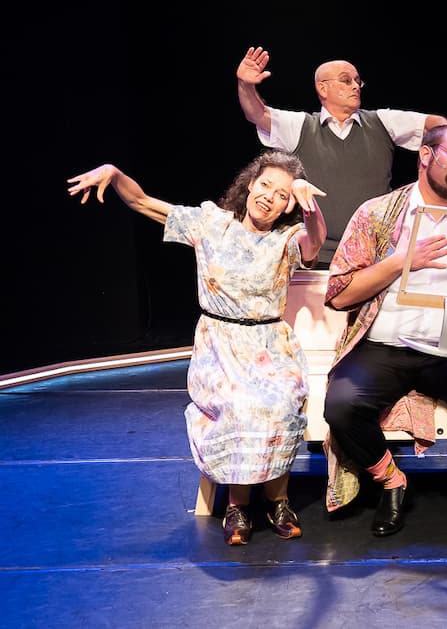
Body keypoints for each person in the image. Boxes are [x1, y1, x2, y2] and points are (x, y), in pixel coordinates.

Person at [66, 151, 328, 547]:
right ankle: (239, 505)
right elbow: (143, 202)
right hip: (219, 347)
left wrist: (309, 206)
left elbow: (316, 241)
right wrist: (115, 174)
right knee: (240, 405)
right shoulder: (211, 224)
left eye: (282, 195)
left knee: (277, 403)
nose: (269, 197)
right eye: (265, 186)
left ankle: (278, 501)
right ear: (250, 184)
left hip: (271, 348)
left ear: (288, 206)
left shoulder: (287, 239)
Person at [322, 124, 447, 545]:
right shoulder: (378, 214)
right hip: (386, 344)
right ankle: (391, 481)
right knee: (341, 404)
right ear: (425, 156)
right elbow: (339, 295)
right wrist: (400, 261)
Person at [237, 46, 447, 267]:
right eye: (346, 81)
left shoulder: (382, 122)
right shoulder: (302, 126)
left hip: (374, 256)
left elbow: (433, 123)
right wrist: (246, 84)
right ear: (322, 88)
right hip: (317, 255)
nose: (355, 86)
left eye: (358, 81)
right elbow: (258, 113)